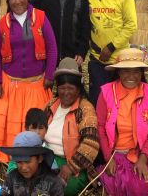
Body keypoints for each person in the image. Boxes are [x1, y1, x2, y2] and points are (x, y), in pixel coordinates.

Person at [0, 0, 57, 162]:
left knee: (36, 124)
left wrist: (50, 75)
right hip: (11, 84)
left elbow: (52, 47)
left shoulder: (41, 17)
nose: (17, 1)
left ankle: (36, 159)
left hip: (37, 84)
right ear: (7, 1)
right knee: (9, 125)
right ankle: (11, 160)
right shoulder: (4, 23)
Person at [96, 48, 148, 195]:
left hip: (140, 153)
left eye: (136, 71)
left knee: (144, 183)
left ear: (142, 73)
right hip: (115, 154)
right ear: (118, 72)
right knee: (125, 184)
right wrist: (108, 158)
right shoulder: (106, 93)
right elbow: (100, 127)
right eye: (126, 71)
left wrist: (143, 159)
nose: (131, 76)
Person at [88, 0, 137, 106]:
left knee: (119, 101)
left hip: (119, 60)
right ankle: (98, 129)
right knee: (98, 100)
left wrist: (111, 46)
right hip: (97, 58)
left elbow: (131, 25)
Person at [44, 57, 99, 196]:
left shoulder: (85, 108)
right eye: (62, 88)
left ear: (78, 88)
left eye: (71, 88)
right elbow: (36, 130)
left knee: (65, 187)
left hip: (74, 164)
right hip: (47, 157)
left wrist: (70, 167)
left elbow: (91, 144)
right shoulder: (51, 105)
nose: (66, 92)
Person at [0, 131, 64, 196]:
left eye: (27, 162)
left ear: (40, 158)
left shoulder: (53, 182)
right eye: (19, 162)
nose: (23, 167)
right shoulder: (12, 178)